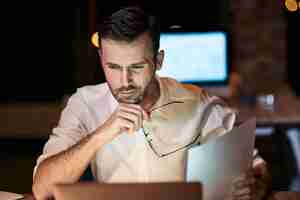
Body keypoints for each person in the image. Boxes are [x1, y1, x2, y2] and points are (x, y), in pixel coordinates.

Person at [32, 5, 271, 200]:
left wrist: (256, 185)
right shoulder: (85, 102)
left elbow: (256, 168)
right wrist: (101, 134)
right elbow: (42, 189)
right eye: (113, 67)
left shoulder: (197, 102)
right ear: (101, 59)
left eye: (137, 67)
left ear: (158, 61)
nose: (124, 81)